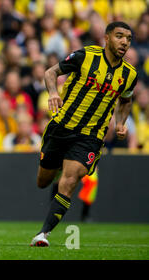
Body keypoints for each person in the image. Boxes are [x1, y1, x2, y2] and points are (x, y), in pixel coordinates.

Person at [30, 21, 138, 247]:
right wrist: (52, 93)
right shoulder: (85, 56)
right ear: (107, 38)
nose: (125, 42)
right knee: (43, 181)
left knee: (72, 179)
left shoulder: (129, 74)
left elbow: (126, 100)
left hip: (90, 136)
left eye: (128, 38)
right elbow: (51, 73)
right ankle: (58, 169)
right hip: (61, 127)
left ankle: (43, 234)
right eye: (120, 36)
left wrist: (121, 122)